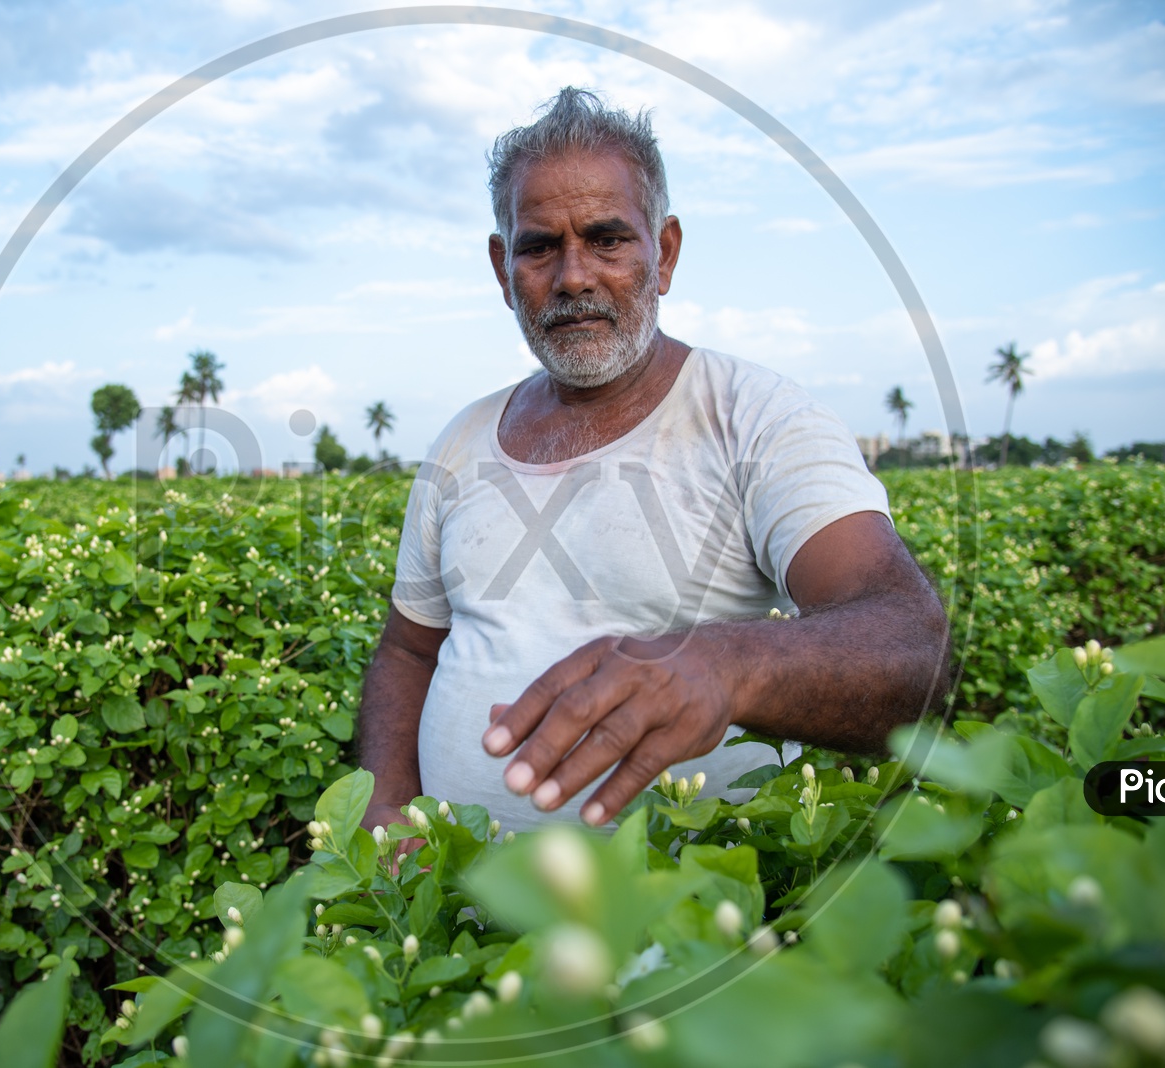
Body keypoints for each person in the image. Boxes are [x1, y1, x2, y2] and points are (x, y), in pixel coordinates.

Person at [358, 88, 949, 838]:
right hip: (451, 926)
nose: (573, 277)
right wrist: (384, 806)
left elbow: (910, 644)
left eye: (608, 239)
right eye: (540, 246)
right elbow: (409, 649)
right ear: (502, 267)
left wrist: (725, 664)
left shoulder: (757, 417)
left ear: (663, 254)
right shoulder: (462, 440)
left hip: (692, 926)